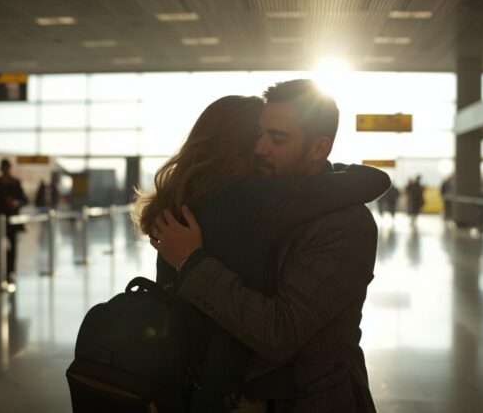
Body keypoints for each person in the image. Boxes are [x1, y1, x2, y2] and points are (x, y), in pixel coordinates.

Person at [149, 80, 387, 412]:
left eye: (277, 139)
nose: (260, 148)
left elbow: (280, 332)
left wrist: (193, 261)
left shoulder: (346, 225)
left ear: (318, 149)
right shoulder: (250, 201)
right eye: (258, 135)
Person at [0, 159, 27, 281]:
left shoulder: (15, 182)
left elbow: (24, 199)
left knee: (12, 246)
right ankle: (1, 268)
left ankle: (10, 270)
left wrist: (16, 203)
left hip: (12, 219)